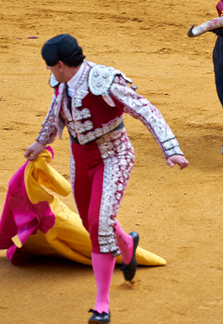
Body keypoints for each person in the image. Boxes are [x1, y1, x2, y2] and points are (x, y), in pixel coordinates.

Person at [24, 34, 189, 324]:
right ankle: (127, 245)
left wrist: (171, 149)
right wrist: (41, 141)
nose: (50, 72)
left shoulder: (105, 81)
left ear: (60, 65)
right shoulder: (62, 83)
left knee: (100, 225)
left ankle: (102, 303)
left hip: (114, 157)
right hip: (81, 159)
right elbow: (55, 113)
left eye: (51, 67)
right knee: (92, 222)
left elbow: (146, 110)